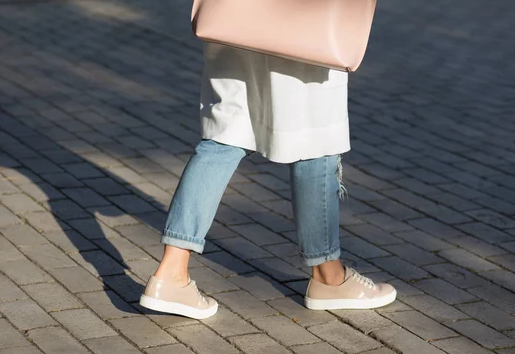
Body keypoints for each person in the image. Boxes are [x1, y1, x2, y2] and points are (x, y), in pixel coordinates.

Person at [139, 43, 396, 319]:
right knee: (314, 133)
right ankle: (329, 276)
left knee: (226, 134)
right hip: (304, 19)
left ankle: (171, 273)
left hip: (238, 20)